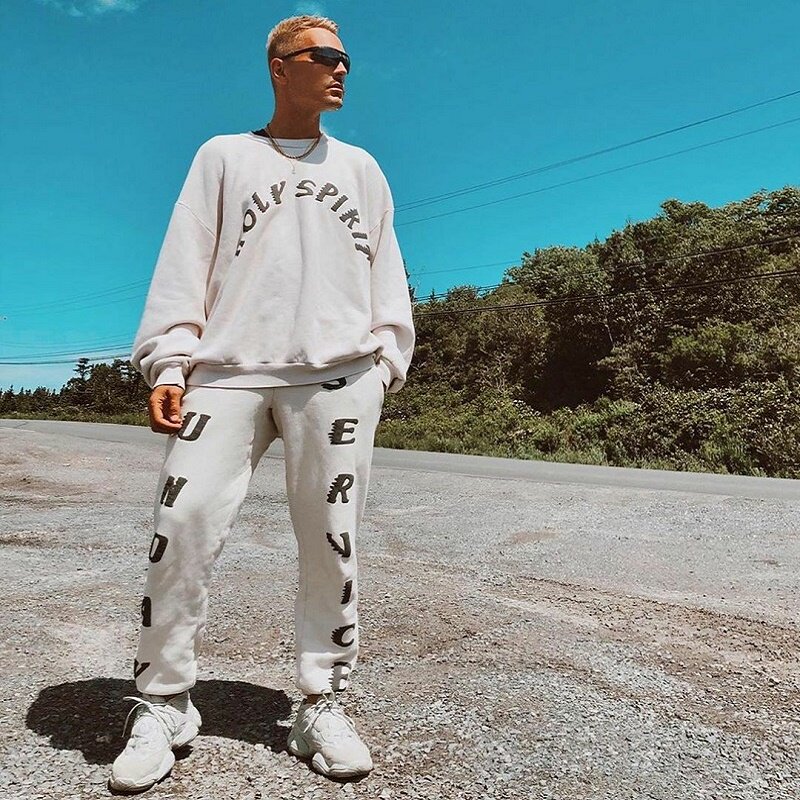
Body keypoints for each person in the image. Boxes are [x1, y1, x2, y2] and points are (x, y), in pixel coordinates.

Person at [110, 14, 415, 793]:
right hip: (226, 372)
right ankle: (163, 701)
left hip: (338, 375)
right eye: (325, 56)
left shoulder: (363, 168)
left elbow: (387, 272)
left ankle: (321, 700)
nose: (341, 69)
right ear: (280, 67)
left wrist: (385, 361)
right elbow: (184, 261)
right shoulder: (223, 156)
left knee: (332, 541)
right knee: (181, 523)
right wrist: (169, 360)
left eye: (347, 59)